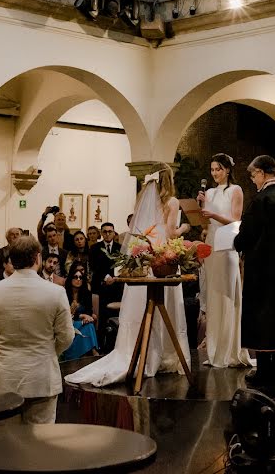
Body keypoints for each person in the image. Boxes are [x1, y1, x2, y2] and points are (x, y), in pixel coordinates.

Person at [65, 163, 191, 388]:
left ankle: (136, 351)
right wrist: (184, 230)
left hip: (145, 260)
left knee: (142, 308)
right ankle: (162, 354)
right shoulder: (172, 202)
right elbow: (171, 233)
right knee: (166, 308)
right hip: (164, 260)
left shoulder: (143, 203)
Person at [0, 236, 73, 423]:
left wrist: (3, 348)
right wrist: (47, 352)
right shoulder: (55, 292)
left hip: (5, 376)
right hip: (42, 376)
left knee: (7, 442)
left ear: (12, 259)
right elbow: (66, 336)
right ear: (38, 258)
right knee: (40, 443)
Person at [234, 155, 275, 387]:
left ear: (262, 173)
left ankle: (264, 371)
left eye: (253, 175)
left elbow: (248, 233)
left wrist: (237, 243)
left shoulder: (262, 199)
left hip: (262, 270)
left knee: (262, 319)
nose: (253, 180)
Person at [196, 153, 251, 368]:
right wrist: (200, 208)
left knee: (227, 295)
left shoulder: (235, 190)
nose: (215, 173)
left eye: (218, 169)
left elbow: (236, 219)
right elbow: (204, 219)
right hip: (211, 242)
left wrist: (214, 215)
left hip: (227, 244)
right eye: (212, 170)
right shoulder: (209, 192)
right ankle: (215, 349)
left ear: (227, 170)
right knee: (213, 297)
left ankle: (229, 352)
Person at [89, 221, 121, 350]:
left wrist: (115, 277)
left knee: (117, 315)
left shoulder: (120, 248)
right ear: (101, 233)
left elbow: (122, 265)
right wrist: (106, 277)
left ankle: (116, 343)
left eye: (110, 231)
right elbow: (93, 266)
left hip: (116, 286)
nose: (107, 234)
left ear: (114, 233)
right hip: (101, 287)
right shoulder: (95, 248)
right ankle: (101, 345)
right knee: (102, 317)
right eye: (105, 232)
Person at [61, 262, 99, 361]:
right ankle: (94, 352)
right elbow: (64, 313)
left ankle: (93, 352)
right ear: (70, 278)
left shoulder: (86, 293)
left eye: (80, 278)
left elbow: (89, 311)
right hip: (68, 322)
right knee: (87, 325)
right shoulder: (63, 293)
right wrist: (82, 315)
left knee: (89, 324)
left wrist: (87, 317)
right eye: (75, 277)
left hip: (82, 322)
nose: (78, 279)